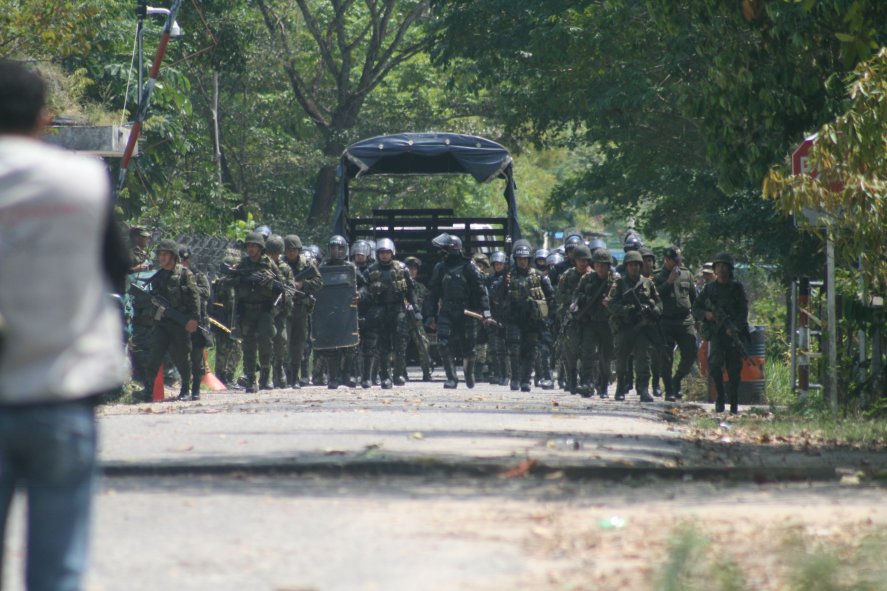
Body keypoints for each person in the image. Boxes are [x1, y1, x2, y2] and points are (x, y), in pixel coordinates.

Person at [0, 59, 130, 590]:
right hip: (62, 393)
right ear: (43, 117)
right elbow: (117, 268)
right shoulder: (84, 180)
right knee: (57, 572)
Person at [424, 233, 491, 389]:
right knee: (443, 343)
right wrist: (429, 315)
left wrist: (486, 311)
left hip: (467, 311)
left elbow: (481, 291)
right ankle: (451, 378)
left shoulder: (469, 266)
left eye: (444, 249)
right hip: (447, 310)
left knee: (469, 347)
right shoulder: (440, 267)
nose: (441, 253)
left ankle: (468, 373)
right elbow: (432, 292)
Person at [139, 240, 201, 402]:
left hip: (180, 323)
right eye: (160, 254)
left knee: (181, 357)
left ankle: (186, 388)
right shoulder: (159, 276)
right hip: (163, 323)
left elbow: (195, 298)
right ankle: (148, 391)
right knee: (154, 355)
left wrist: (194, 319)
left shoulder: (185, 274)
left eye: (165, 254)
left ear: (173, 256)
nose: (162, 257)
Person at [226, 231, 287, 392]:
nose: (251, 249)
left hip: (265, 310)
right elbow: (228, 281)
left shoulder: (269, 264)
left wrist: (267, 282)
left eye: (254, 246)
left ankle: (266, 376)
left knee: (266, 343)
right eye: (249, 246)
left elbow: (282, 286)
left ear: (260, 248)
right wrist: (244, 279)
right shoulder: (243, 264)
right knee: (248, 346)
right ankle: (251, 378)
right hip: (246, 311)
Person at [492, 240, 554, 392]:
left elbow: (551, 298)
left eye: (525, 259)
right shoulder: (507, 276)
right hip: (513, 318)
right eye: (519, 259)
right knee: (514, 348)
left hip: (533, 320)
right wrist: (503, 284)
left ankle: (526, 380)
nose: (522, 262)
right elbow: (496, 297)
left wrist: (548, 318)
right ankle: (515, 378)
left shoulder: (539, 277)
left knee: (530, 350)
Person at [693, 252, 749, 414]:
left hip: (732, 333)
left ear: (730, 269)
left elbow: (743, 311)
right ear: (715, 269)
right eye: (719, 266)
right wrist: (707, 315)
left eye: (725, 266)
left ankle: (733, 401)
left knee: (734, 369)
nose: (721, 269)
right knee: (715, 364)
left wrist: (735, 328)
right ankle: (720, 396)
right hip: (716, 333)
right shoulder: (709, 289)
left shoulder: (737, 288)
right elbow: (696, 308)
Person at [360, 239, 417, 388]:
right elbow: (364, 289)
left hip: (398, 309)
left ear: (392, 253)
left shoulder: (402, 268)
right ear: (377, 254)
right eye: (382, 253)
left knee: (400, 343)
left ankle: (399, 373)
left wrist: (414, 308)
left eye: (387, 253)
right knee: (382, 345)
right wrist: (360, 296)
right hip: (379, 309)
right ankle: (385, 376)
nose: (384, 256)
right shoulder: (370, 270)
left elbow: (410, 291)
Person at [607, 250, 662, 402]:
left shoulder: (648, 283)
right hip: (625, 326)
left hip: (643, 327)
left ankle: (643, 388)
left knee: (643, 357)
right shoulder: (619, 283)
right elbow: (610, 304)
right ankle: (620, 387)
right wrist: (626, 311)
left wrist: (654, 310)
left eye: (637, 265)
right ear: (626, 266)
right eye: (631, 265)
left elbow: (658, 302)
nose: (634, 268)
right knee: (621, 357)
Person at [571, 247, 617, 399]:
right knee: (587, 353)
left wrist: (612, 303)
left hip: (608, 323)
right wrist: (579, 302)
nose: (600, 268)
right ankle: (587, 383)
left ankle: (603, 384)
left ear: (609, 265)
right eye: (597, 264)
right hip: (590, 322)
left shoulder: (616, 280)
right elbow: (576, 295)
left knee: (605, 357)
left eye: (603, 265)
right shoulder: (587, 278)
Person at [654, 246, 698, 401]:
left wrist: (698, 319)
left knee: (691, 353)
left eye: (680, 260)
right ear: (667, 260)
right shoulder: (658, 276)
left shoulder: (687, 274)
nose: (678, 263)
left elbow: (694, 298)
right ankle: (669, 389)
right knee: (666, 358)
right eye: (675, 260)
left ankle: (677, 379)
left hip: (685, 320)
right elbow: (653, 296)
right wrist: (669, 281)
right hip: (665, 321)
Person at [283, 234, 322, 388]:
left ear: (298, 250)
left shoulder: (307, 264)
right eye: (288, 250)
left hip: (300, 307)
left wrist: (302, 285)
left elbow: (319, 281)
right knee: (284, 341)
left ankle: (295, 376)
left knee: (299, 344)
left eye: (294, 250)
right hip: (284, 307)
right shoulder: (280, 264)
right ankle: (283, 375)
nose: (291, 253)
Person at [555, 244, 591, 394]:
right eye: (580, 260)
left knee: (588, 351)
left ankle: (586, 381)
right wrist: (573, 300)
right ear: (575, 261)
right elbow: (559, 295)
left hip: (589, 319)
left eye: (585, 260)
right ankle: (571, 379)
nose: (583, 263)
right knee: (571, 350)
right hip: (571, 318)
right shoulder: (567, 275)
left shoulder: (592, 276)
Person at [180, 245, 212, 400]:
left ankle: (196, 390)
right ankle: (184, 388)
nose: (183, 263)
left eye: (185, 260)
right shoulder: (174, 278)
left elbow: (206, 293)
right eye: (180, 260)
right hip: (181, 323)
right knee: (182, 358)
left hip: (198, 324)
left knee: (197, 358)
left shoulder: (198, 276)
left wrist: (190, 289)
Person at [265, 235, 295, 388]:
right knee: (266, 343)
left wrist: (285, 295)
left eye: (276, 253)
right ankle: (267, 374)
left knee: (281, 342)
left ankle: (279, 368)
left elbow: (291, 288)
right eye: (270, 253)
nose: (273, 256)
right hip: (265, 310)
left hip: (280, 311)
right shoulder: (262, 267)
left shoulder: (285, 268)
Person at [397, 256, 433, 382]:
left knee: (424, 344)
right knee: (400, 347)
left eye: (414, 269)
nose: (412, 272)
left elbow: (429, 305)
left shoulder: (421, 288)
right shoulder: (398, 286)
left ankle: (427, 372)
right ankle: (401, 372)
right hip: (401, 320)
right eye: (410, 269)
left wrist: (430, 318)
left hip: (416, 321)